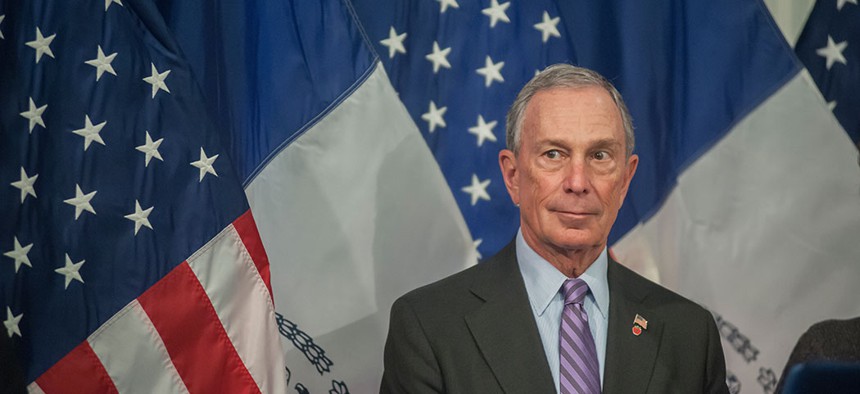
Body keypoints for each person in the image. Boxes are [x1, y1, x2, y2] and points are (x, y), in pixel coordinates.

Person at [380, 64, 729, 394]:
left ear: (624, 181)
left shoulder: (690, 334)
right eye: (553, 154)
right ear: (512, 175)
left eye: (600, 156)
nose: (578, 182)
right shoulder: (429, 327)